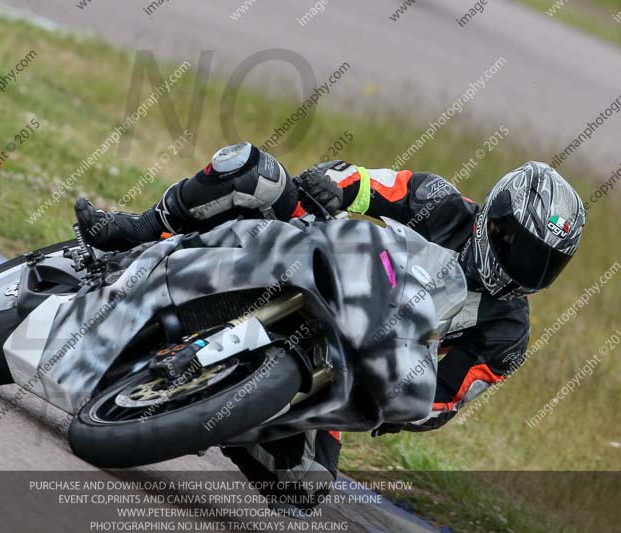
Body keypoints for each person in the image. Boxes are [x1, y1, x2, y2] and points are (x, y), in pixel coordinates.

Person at [74, 142, 586, 510]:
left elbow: (439, 405)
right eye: (525, 250)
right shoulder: (439, 201)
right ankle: (134, 230)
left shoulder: (507, 334)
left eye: (547, 264)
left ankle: (235, 412)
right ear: (495, 219)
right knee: (253, 171)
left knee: (306, 487)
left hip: (347, 365)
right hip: (313, 265)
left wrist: (390, 393)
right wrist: (328, 188)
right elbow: (359, 182)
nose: (529, 272)